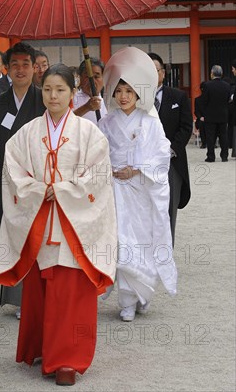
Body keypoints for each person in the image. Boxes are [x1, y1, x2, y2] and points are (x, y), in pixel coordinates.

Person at [0, 64, 117, 385]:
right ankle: (40, 347)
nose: (53, 96)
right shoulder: (28, 131)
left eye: (61, 90)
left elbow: (98, 179)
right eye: (47, 89)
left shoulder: (90, 133)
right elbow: (12, 169)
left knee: (70, 291)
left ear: (73, 91)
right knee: (39, 289)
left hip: (72, 224)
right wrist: (37, 190)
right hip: (40, 220)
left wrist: (60, 191)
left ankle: (67, 360)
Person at [99, 47, 177, 323]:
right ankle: (127, 301)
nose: (123, 96)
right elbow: (96, 153)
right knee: (122, 242)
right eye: (118, 91)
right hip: (116, 188)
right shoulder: (106, 122)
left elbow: (162, 152)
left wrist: (137, 169)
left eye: (129, 91)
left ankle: (143, 293)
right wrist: (109, 169)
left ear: (138, 94)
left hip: (141, 188)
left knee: (143, 241)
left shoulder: (150, 121)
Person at [0, 42, 46, 313]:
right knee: (13, 236)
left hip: (39, 181)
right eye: (14, 64)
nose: (20, 69)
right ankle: (18, 298)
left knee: (40, 237)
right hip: (8, 183)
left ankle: (39, 296)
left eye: (26, 64)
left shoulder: (44, 100)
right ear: (7, 68)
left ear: (34, 67)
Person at [148, 53, 193, 245]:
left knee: (168, 207)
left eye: (155, 70)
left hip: (171, 161)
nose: (151, 74)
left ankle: (166, 251)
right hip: (145, 161)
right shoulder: (135, 98)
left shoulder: (178, 96)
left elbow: (186, 127)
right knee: (146, 207)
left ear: (163, 73)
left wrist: (170, 150)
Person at [199, 64, 231, 163]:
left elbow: (203, 101)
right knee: (223, 136)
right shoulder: (227, 85)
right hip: (223, 114)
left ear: (212, 73)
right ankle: (224, 156)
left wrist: (204, 113)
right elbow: (228, 100)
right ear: (221, 74)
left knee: (210, 136)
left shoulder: (207, 85)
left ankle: (211, 156)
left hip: (210, 115)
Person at [72, 57, 107, 124]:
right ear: (80, 78)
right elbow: (65, 122)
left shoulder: (103, 100)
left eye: (96, 77)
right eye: (88, 77)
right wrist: (86, 107)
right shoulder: (73, 98)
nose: (92, 81)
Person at [194, 82, 206, 148]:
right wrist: (200, 117)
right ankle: (204, 142)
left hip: (210, 118)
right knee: (202, 123)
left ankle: (211, 142)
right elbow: (196, 111)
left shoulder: (210, 99)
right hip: (200, 119)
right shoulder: (197, 100)